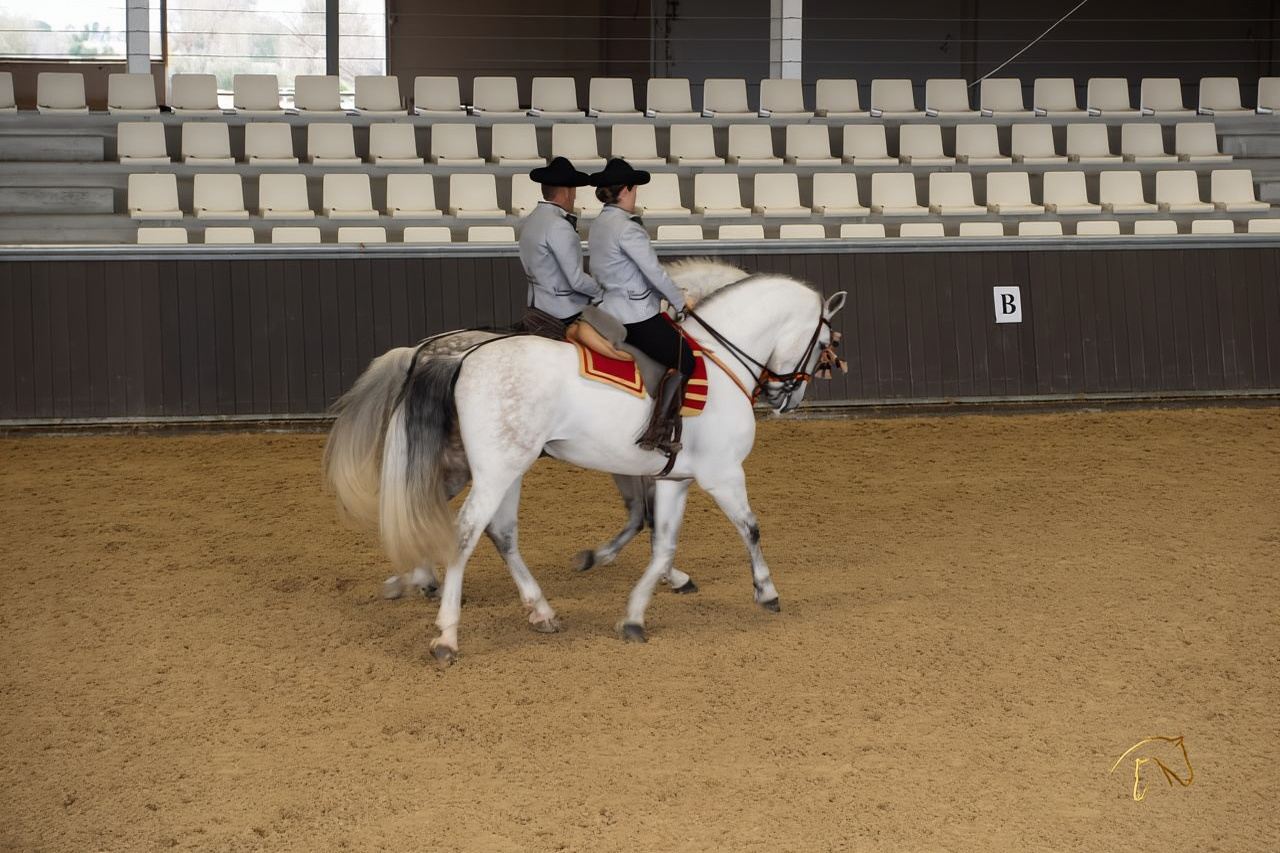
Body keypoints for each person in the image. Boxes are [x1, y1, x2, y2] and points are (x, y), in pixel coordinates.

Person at [587, 158, 696, 455]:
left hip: (608, 310)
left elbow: (627, 272)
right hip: (635, 316)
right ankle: (658, 431)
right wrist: (679, 301)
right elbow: (654, 272)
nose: (636, 195)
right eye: (635, 189)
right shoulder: (627, 228)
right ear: (626, 189)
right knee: (686, 359)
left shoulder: (598, 224)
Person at [516, 156, 601, 338]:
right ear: (567, 192)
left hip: (536, 306)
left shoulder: (531, 220)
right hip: (563, 313)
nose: (575, 196)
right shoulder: (559, 225)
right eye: (574, 190)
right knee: (619, 336)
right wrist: (604, 289)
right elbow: (576, 281)